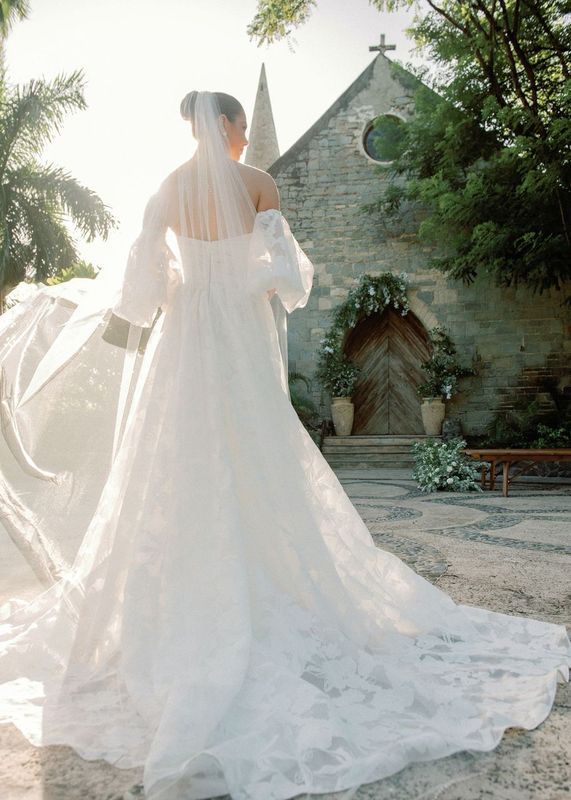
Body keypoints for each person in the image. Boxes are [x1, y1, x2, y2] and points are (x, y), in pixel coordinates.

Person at [0, 90, 569, 800]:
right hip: (237, 336)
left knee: (174, 461)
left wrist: (180, 285)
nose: (239, 137)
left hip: (182, 343)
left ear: (190, 127)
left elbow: (142, 287)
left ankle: (177, 602)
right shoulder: (258, 183)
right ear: (233, 126)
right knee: (259, 453)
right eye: (238, 127)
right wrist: (247, 285)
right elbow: (286, 278)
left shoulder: (168, 190)